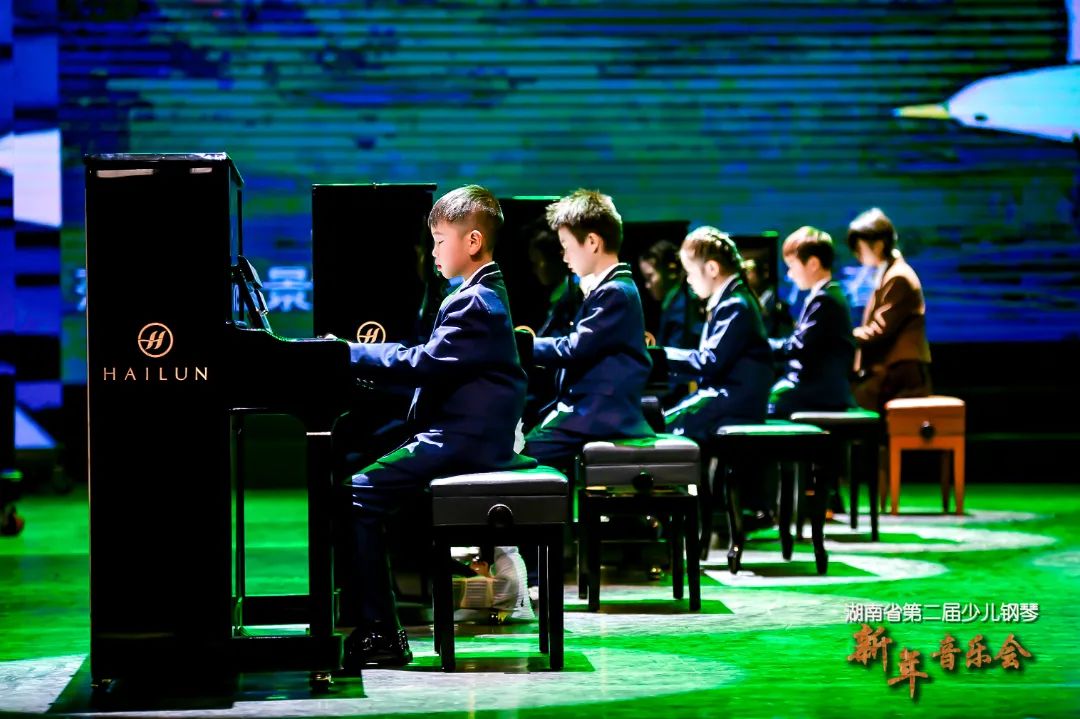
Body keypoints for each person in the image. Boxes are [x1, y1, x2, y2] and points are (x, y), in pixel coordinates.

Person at [341, 185, 535, 670]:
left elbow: (423, 363)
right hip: (464, 433)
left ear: (472, 241)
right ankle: (372, 615)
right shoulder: (480, 294)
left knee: (358, 493)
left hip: (467, 441)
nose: (433, 252)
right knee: (361, 473)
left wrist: (346, 351)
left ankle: (381, 633)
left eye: (439, 240)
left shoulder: (475, 302)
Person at [522, 189, 654, 472]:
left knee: (522, 452)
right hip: (589, 410)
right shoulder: (612, 288)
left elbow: (575, 347)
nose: (563, 255)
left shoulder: (615, 291)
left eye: (566, 245)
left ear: (592, 242)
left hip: (599, 414)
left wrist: (523, 345)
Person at [662, 226, 773, 441]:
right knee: (667, 420)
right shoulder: (732, 300)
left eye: (690, 272)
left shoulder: (734, 304)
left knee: (665, 427)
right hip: (728, 398)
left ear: (712, 268)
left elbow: (710, 361)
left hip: (735, 402)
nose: (688, 280)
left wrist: (661, 356)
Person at [847, 208, 932, 411]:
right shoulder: (890, 273)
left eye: (860, 248)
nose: (858, 255)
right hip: (893, 371)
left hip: (900, 373)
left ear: (878, 245)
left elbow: (880, 330)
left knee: (854, 403)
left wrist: (843, 335)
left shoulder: (898, 276)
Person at [768, 226, 857, 417]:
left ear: (813, 263)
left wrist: (761, 344)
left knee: (763, 406)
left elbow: (799, 346)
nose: (789, 275)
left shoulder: (825, 299)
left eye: (792, 266)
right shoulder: (827, 295)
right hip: (817, 387)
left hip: (819, 390)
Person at [638, 240, 704, 350]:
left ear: (670, 272)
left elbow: (676, 350)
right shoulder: (672, 304)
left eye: (650, 277)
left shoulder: (681, 307)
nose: (647, 285)